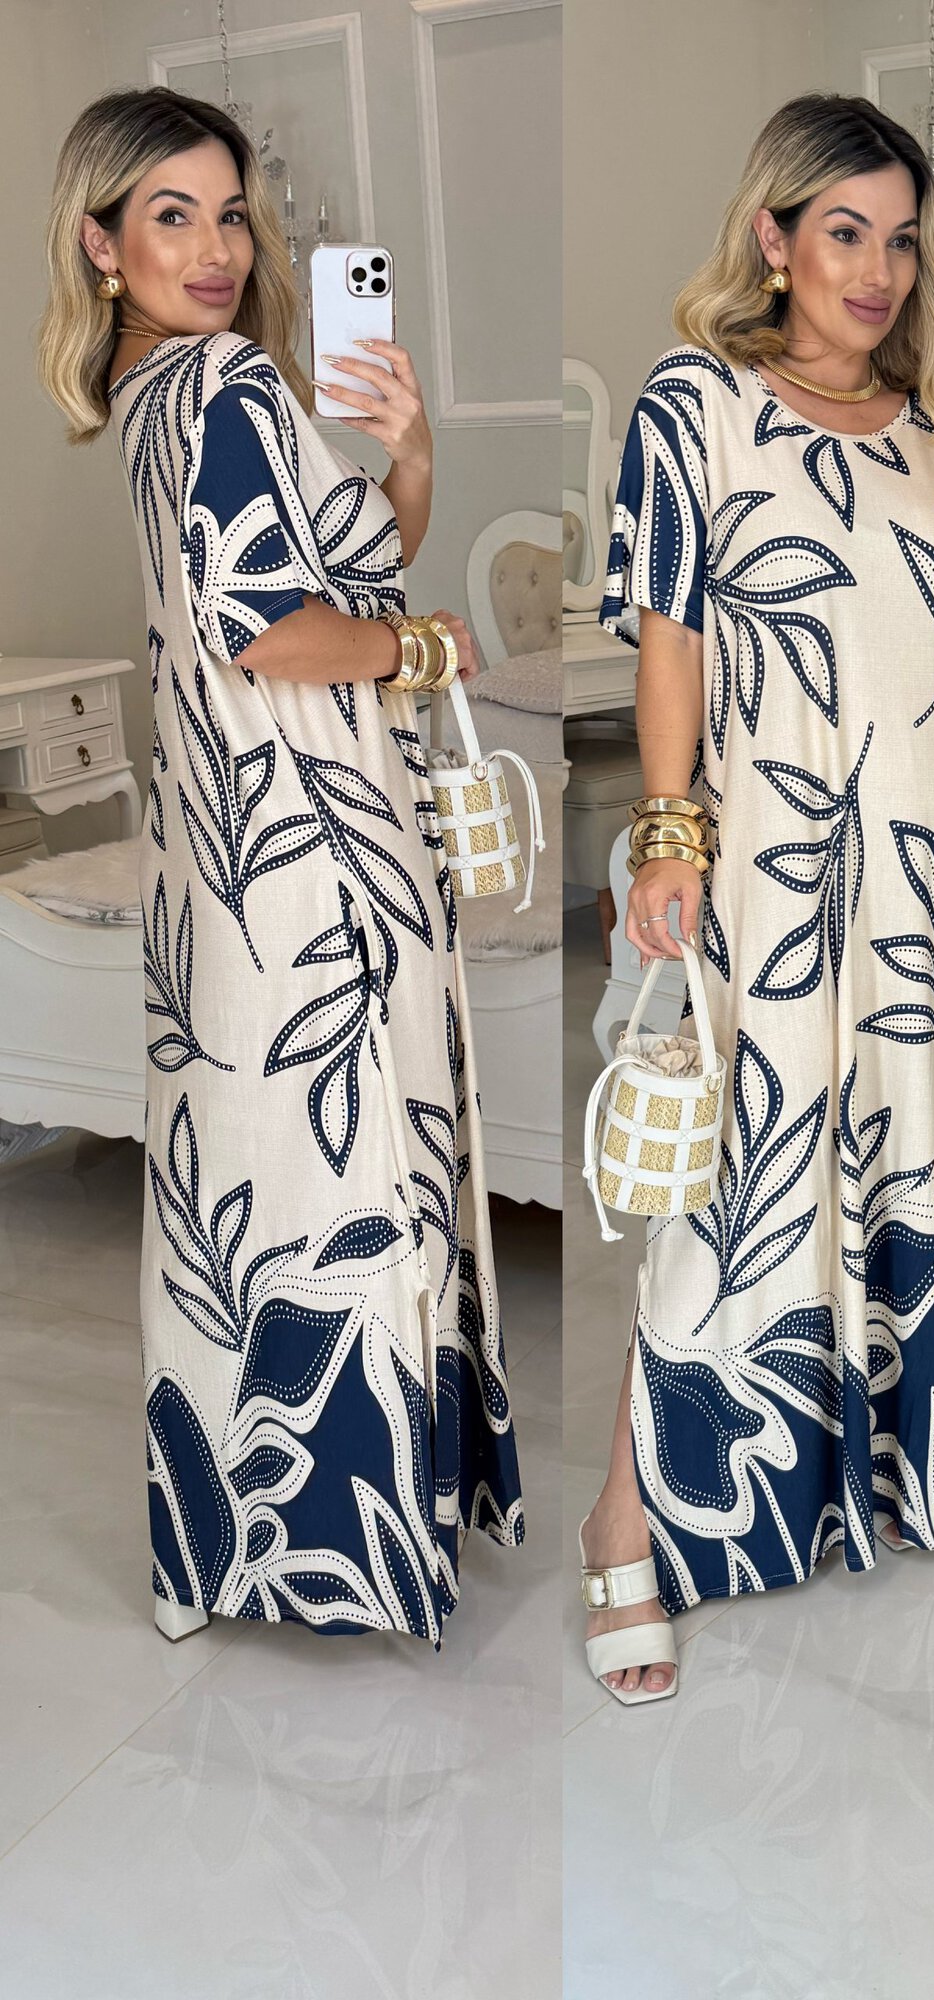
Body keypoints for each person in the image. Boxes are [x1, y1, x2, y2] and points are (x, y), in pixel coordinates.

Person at [584, 92, 934, 1704]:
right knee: (743, 1187)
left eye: (898, 240)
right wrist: (667, 832)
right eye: (842, 233)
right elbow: (669, 632)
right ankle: (629, 1514)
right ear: (773, 235)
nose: (877, 271)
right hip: (791, 867)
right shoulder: (694, 403)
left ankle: (907, 1455)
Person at [37, 86, 523, 1643]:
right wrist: (424, 646)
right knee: (355, 1172)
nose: (217, 247)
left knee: (242, 1182)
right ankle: (360, 1539)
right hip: (316, 838)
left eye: (231, 214)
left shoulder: (149, 396)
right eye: (171, 215)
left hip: (221, 850)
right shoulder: (227, 382)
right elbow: (276, 629)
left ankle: (219, 1543)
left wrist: (408, 455)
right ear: (101, 243)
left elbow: (348, 558)